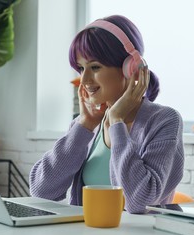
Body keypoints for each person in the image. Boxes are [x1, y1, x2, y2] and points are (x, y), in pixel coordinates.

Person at [29, 15, 184, 214]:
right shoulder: (87, 125)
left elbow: (139, 201)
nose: (84, 79)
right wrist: (84, 126)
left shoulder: (164, 121)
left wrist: (117, 121)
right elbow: (41, 191)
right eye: (80, 68)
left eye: (95, 67)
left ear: (130, 68)